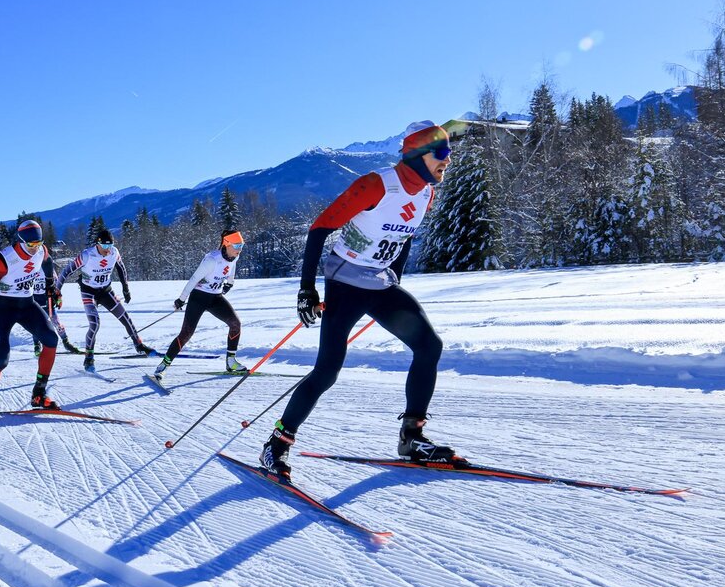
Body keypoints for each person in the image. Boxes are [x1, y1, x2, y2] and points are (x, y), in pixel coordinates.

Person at [259, 121, 457, 478]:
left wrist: (395, 273)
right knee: (327, 371)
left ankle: (412, 437)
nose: (447, 160)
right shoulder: (376, 184)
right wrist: (307, 289)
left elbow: (404, 236)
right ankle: (276, 445)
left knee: (429, 346)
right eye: (440, 152)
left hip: (380, 284)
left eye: (449, 152)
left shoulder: (426, 192)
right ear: (415, 155)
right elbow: (320, 227)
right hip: (346, 282)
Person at [0, 220, 62, 428]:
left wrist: (50, 285)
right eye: (30, 245)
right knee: (1, 359)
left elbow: (47, 262)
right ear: (20, 242)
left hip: (27, 304)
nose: (35, 248)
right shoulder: (5, 260)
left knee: (51, 340)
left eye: (38, 243)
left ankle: (39, 393)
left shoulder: (40, 250)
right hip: (3, 308)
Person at [55, 228, 155, 373]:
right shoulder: (87, 255)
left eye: (111, 245)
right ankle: (88, 357)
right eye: (105, 246)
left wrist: (125, 288)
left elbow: (121, 269)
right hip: (89, 292)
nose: (108, 249)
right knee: (95, 324)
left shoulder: (114, 252)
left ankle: (139, 345)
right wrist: (58, 292)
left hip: (105, 290)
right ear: (98, 244)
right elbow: (66, 271)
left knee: (125, 317)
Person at [153, 230, 248, 381]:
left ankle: (231, 363)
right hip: (199, 298)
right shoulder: (212, 260)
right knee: (186, 334)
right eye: (237, 245)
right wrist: (181, 299)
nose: (240, 249)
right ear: (227, 244)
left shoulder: (234, 256)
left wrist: (230, 283)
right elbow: (194, 278)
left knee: (235, 324)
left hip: (215, 298)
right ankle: (163, 366)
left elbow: (231, 268)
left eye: (241, 245)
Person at [31, 252, 82, 355]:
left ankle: (66, 342)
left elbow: (56, 283)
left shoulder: (47, 268)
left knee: (56, 322)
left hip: (47, 300)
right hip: (34, 300)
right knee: (35, 324)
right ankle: (37, 345)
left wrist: (58, 297)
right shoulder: (30, 267)